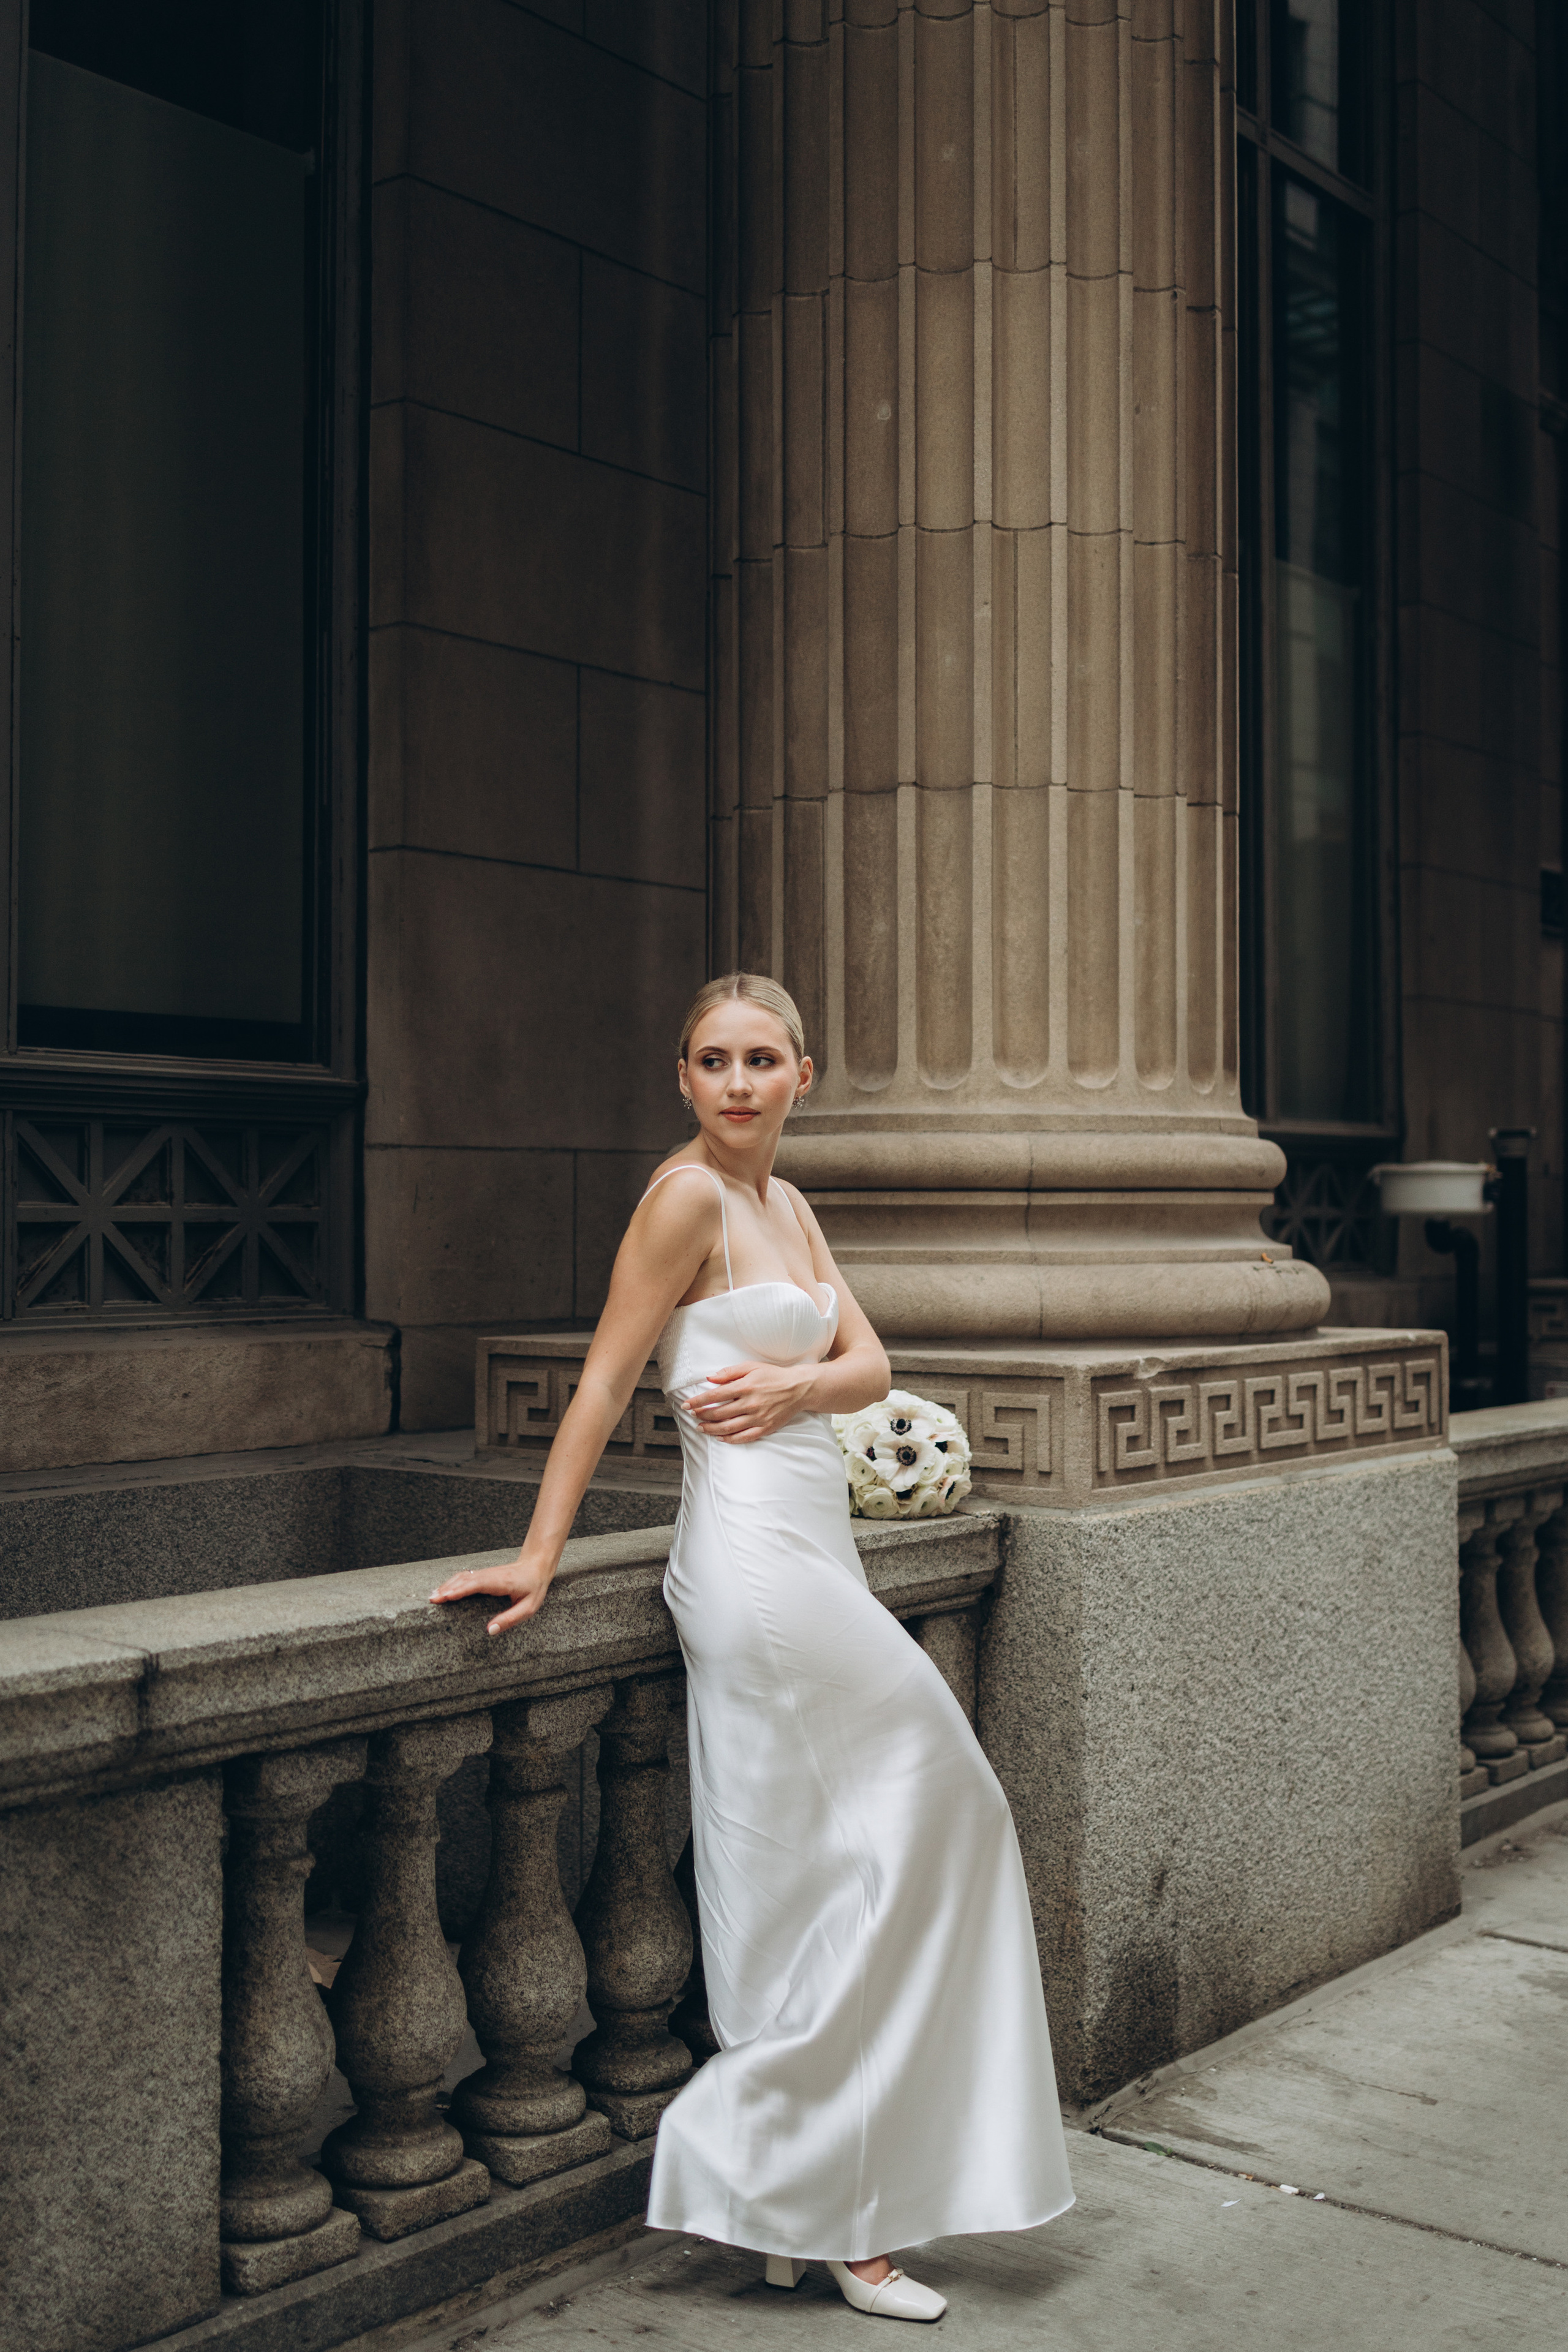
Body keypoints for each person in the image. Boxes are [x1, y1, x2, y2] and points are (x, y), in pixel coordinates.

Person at [430, 973, 1074, 2323]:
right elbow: (608, 1377)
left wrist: (797, 1382)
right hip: (750, 1572)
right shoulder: (684, 1201)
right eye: (712, 1060)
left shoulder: (786, 1205)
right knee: (934, 1814)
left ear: (803, 1074)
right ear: (681, 1078)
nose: (736, 1082)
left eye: (760, 1059)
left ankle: (807, 2203)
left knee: (822, 1868)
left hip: (808, 1553)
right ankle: (812, 2193)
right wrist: (539, 1552)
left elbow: (871, 1364)